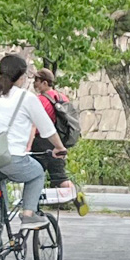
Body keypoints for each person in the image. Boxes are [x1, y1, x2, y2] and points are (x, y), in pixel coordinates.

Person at [0, 54, 67, 231]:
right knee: (37, 173)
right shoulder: (27, 98)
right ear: (21, 76)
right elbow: (48, 130)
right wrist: (60, 148)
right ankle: (28, 215)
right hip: (9, 158)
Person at [29, 68, 88, 215]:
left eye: (37, 81)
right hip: (57, 142)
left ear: (45, 82)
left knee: (34, 175)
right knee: (59, 176)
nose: (34, 84)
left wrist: (28, 144)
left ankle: (32, 206)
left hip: (41, 141)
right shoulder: (62, 98)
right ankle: (76, 194)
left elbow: (35, 123)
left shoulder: (41, 100)